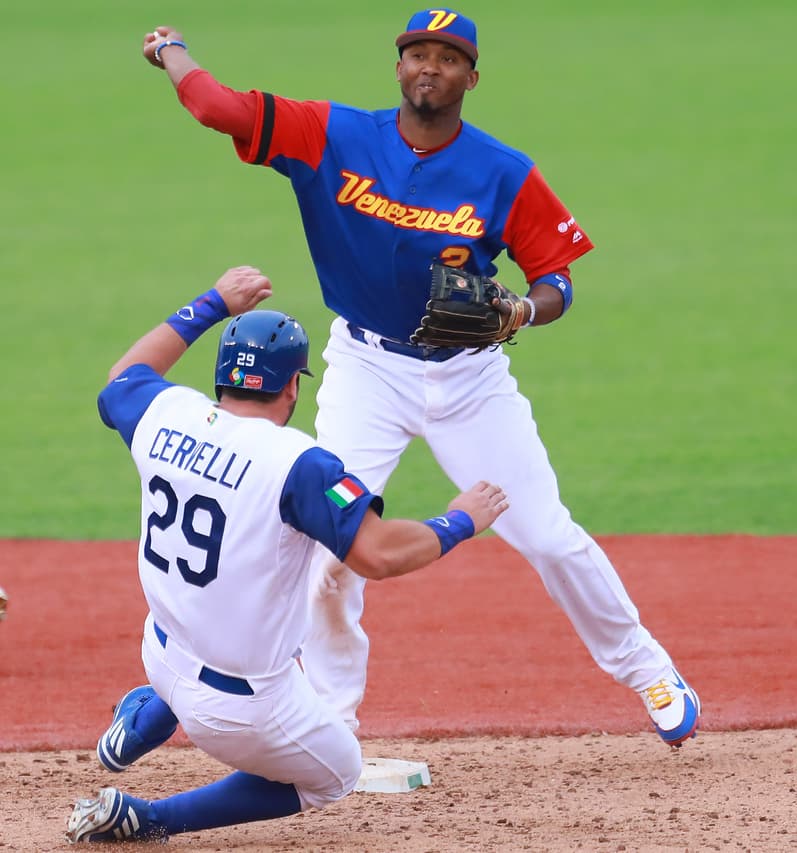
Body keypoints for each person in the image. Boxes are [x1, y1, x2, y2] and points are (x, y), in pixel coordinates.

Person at [139, 8, 701, 747]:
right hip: (366, 371)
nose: (430, 66)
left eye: (448, 55)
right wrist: (173, 52)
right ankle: (332, 716)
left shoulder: (503, 171)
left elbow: (558, 280)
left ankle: (648, 667)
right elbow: (219, 108)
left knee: (549, 537)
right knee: (332, 555)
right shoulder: (332, 134)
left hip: (472, 382)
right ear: (398, 67)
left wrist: (521, 311)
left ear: (471, 76)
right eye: (417, 53)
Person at [67, 266, 508, 843]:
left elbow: (125, 375)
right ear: (293, 388)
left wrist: (214, 301)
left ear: (223, 377)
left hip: (159, 648)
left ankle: (147, 719)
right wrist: (459, 521)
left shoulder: (165, 413)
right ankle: (150, 817)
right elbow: (376, 554)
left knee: (233, 618)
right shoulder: (298, 464)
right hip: (238, 712)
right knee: (337, 773)